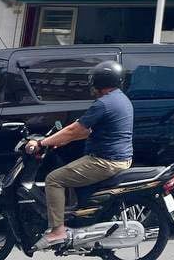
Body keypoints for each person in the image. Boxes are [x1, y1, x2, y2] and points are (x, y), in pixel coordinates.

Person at [25, 60, 134, 246]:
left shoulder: (104, 103)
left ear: (100, 81)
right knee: (68, 170)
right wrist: (58, 141)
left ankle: (57, 231)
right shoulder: (121, 99)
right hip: (117, 158)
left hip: (105, 161)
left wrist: (41, 143)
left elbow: (73, 130)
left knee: (54, 179)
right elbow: (84, 131)